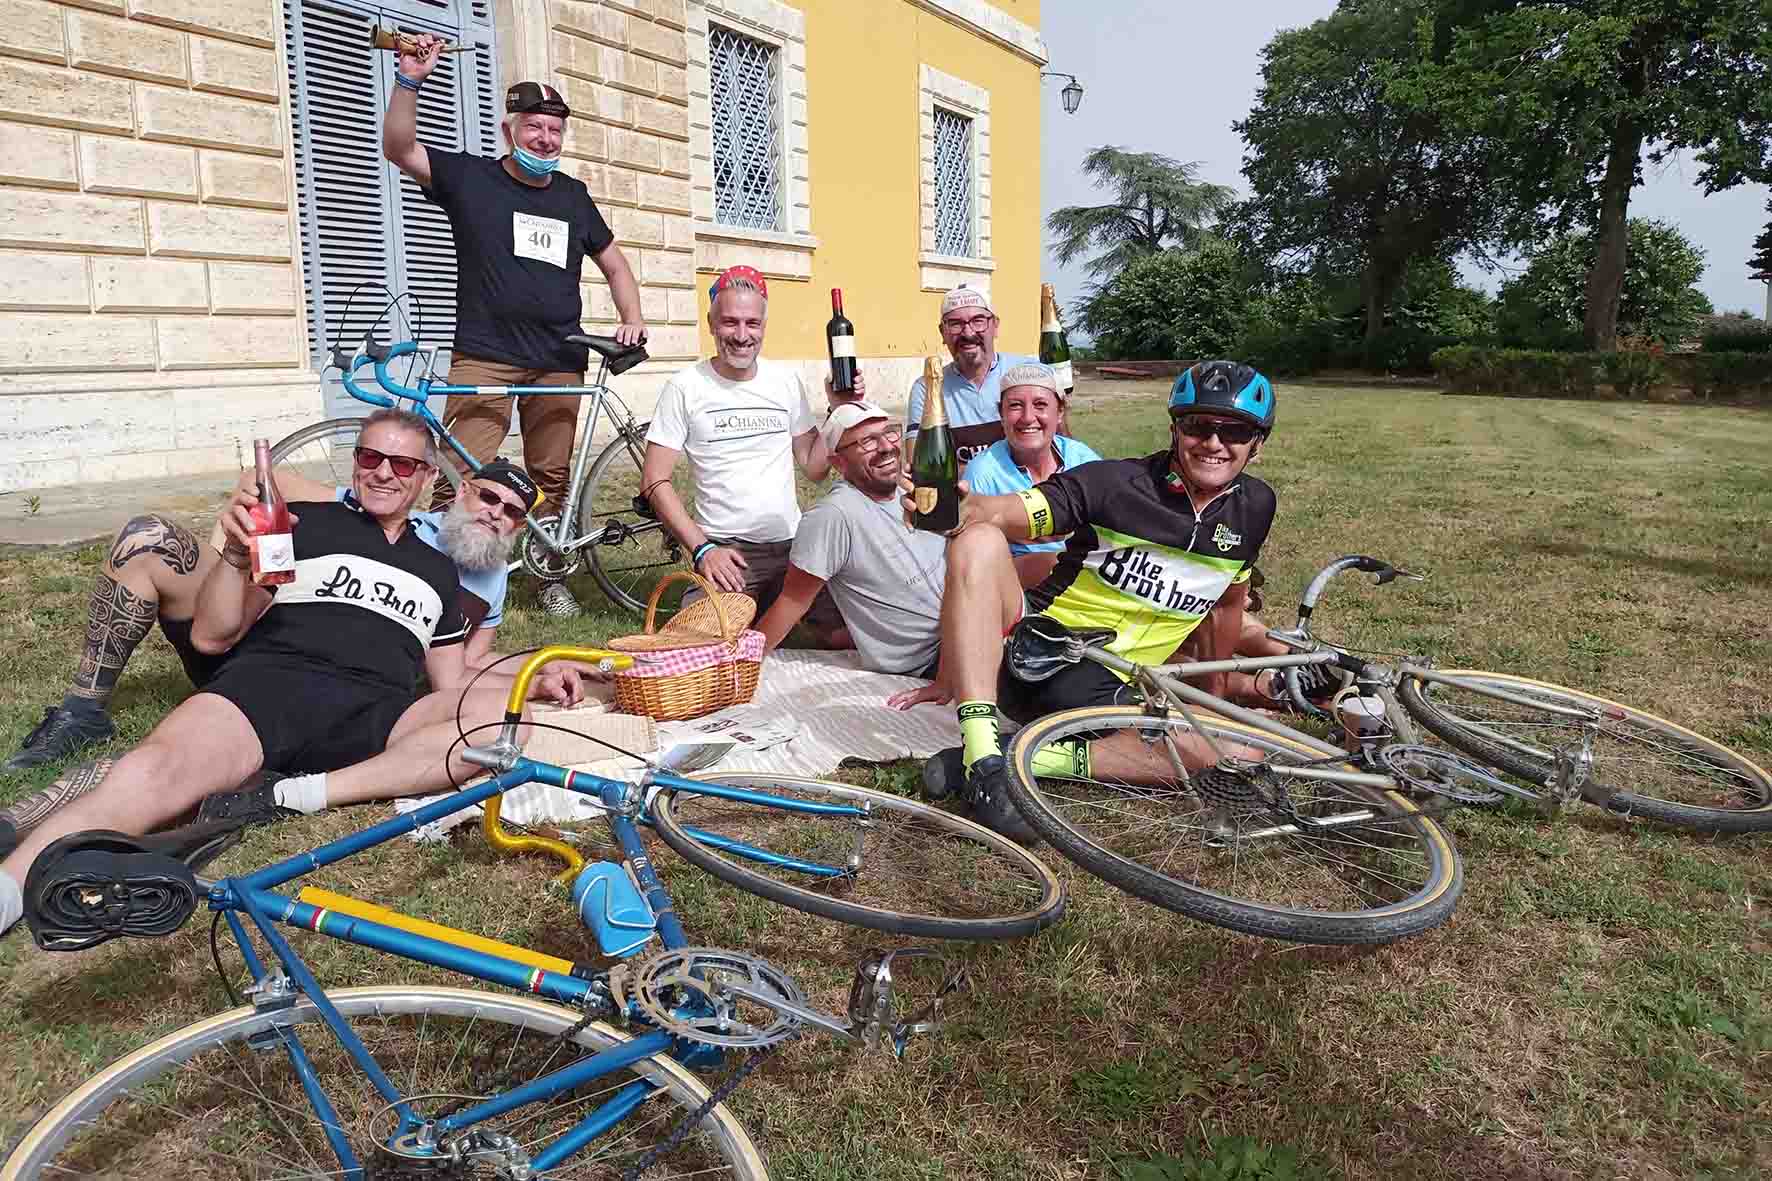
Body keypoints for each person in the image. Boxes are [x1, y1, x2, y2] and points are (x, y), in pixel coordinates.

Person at [0, 411, 590, 939]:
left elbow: (453, 684)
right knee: (152, 773)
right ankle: (9, 890)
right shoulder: (303, 524)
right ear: (356, 463)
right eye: (369, 457)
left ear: (426, 478)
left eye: (402, 463)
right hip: (269, 689)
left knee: (503, 724)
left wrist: (531, 677)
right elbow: (212, 636)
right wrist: (235, 555)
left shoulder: (441, 574)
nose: (384, 473)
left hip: (376, 714)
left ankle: (290, 795)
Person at [909, 361, 1280, 843]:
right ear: (1174, 429)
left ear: (1258, 443)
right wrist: (963, 508)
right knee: (978, 539)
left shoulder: (1256, 507)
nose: (1213, 442)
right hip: (1035, 658)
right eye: (1198, 426)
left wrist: (1212, 699)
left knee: (1240, 753)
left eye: (1234, 431)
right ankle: (983, 761)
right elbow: (1012, 511)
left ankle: (1029, 757)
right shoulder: (1111, 483)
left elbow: (1227, 606)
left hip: (1118, 693)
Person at [2, 441, 531, 776]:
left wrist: (548, 666)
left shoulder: (491, 580)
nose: (496, 515)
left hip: (315, 685)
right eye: (489, 498)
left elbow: (459, 670)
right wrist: (234, 558)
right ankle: (81, 712)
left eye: (512, 513)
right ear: (458, 489)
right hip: (245, 625)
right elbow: (260, 481)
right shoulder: (383, 508)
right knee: (149, 538)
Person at [384, 37, 646, 617]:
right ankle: (451, 581)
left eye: (554, 131)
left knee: (550, 477)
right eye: (534, 128)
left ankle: (548, 573)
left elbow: (614, 262)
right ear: (510, 130)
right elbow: (399, 147)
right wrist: (410, 79)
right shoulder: (472, 179)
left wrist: (632, 316)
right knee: (462, 471)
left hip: (560, 357)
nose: (545, 140)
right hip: (486, 354)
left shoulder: (574, 196)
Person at [639, 267, 852, 624]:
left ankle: (772, 611)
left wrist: (838, 409)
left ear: (764, 327)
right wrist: (703, 548)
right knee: (706, 645)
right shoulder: (686, 386)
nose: (741, 335)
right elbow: (653, 480)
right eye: (730, 322)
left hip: (794, 547)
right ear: (711, 323)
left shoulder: (783, 380)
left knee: (849, 636)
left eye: (752, 323)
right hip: (728, 551)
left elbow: (814, 469)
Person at [755, 402, 946, 676]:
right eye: (867, 441)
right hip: (929, 659)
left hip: (970, 627)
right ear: (838, 462)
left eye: (889, 433)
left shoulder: (913, 491)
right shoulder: (835, 515)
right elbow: (793, 600)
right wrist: (742, 665)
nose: (885, 447)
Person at [960, 362, 1102, 588]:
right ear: (1001, 414)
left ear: (1060, 412)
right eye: (1015, 405)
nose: (1027, 417)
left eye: (1040, 404)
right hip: (1013, 591)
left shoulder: (1083, 460)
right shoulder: (981, 473)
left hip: (1088, 586)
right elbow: (973, 563)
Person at [904, 286, 1039, 467]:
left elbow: (1057, 446)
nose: (968, 333)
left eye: (978, 321)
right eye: (955, 324)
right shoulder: (927, 388)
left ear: (995, 325)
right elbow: (920, 465)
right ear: (942, 332)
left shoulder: (1029, 371)